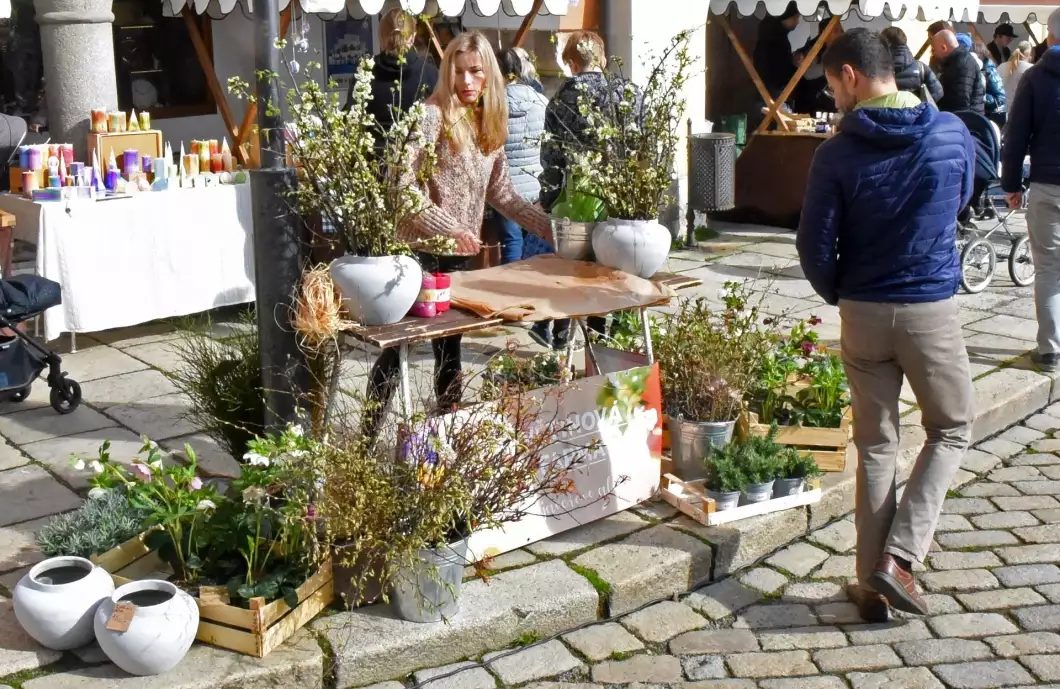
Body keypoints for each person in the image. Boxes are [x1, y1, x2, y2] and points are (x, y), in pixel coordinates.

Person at [797, 28, 976, 622]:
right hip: (929, 308)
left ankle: (874, 584)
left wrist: (844, 294)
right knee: (950, 428)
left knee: (876, 444)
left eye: (831, 85)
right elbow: (962, 197)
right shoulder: (951, 133)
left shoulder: (836, 153)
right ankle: (898, 558)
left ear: (851, 75)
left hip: (865, 311)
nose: (832, 99)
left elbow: (814, 246)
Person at [363, 31, 553, 434]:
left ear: (490, 78)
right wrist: (449, 226)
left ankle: (445, 438)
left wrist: (548, 227)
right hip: (417, 253)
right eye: (459, 72)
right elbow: (399, 185)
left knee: (450, 352)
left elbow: (501, 193)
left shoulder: (488, 123)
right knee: (397, 350)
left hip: (457, 257)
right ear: (447, 73)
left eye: (476, 72)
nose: (466, 81)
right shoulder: (431, 116)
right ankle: (365, 440)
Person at [540, 30, 642, 341]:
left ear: (570, 63)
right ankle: (622, 329)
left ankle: (581, 335)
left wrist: (548, 201)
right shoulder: (631, 93)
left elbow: (552, 159)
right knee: (623, 266)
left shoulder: (560, 101)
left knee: (584, 270)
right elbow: (643, 147)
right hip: (625, 198)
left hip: (580, 199)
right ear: (604, 59)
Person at [1001, 8, 1060, 372]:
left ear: (1049, 37)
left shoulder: (1037, 77)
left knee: (1049, 269)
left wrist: (1010, 185)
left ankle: (1051, 349)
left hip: (1046, 184)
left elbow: (1016, 136)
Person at [344, 8, 439, 136]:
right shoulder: (430, 73)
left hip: (373, 153)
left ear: (381, 39)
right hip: (419, 152)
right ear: (413, 36)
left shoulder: (364, 73)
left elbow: (351, 118)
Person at [880, 27, 943, 103]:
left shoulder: (877, 68)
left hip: (885, 112)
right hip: (915, 112)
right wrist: (920, 106)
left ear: (885, 44)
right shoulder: (921, 68)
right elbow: (938, 92)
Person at [932, 29, 985, 112]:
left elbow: (962, 102)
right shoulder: (955, 61)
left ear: (943, 48)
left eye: (935, 50)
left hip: (968, 120)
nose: (934, 53)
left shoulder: (962, 65)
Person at [966, 36, 1007, 126]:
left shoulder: (989, 71)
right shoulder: (979, 69)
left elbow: (1000, 98)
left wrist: (982, 96)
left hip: (995, 115)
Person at [999, 40, 1034, 106]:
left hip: (1002, 108)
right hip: (1020, 109)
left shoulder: (1001, 67)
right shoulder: (1031, 69)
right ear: (1030, 54)